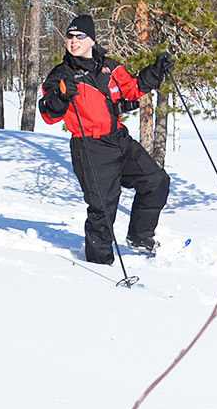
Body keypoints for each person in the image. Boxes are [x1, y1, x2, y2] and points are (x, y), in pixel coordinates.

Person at [38, 14, 173, 265]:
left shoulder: (109, 66)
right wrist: (62, 96)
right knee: (103, 207)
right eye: (70, 36)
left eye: (80, 36)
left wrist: (156, 71)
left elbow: (133, 88)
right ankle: (100, 264)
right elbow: (48, 114)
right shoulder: (61, 75)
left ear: (92, 40)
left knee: (156, 181)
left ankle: (140, 237)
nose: (73, 41)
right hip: (89, 146)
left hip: (118, 139)